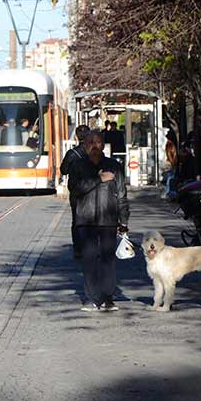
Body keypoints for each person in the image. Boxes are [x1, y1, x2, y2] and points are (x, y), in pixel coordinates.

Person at [68, 131, 129, 312]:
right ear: (85, 145)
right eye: (90, 142)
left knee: (108, 260)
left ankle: (108, 297)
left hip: (108, 219)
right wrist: (98, 179)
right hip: (85, 220)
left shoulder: (114, 165)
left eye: (98, 142)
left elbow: (122, 195)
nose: (94, 146)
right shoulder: (77, 166)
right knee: (89, 259)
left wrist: (124, 221)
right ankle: (93, 298)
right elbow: (75, 190)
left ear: (103, 145)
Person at [60, 124, 90, 260]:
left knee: (77, 221)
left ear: (76, 137)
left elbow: (63, 170)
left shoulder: (72, 154)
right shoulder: (95, 152)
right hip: (93, 191)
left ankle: (78, 249)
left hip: (77, 192)